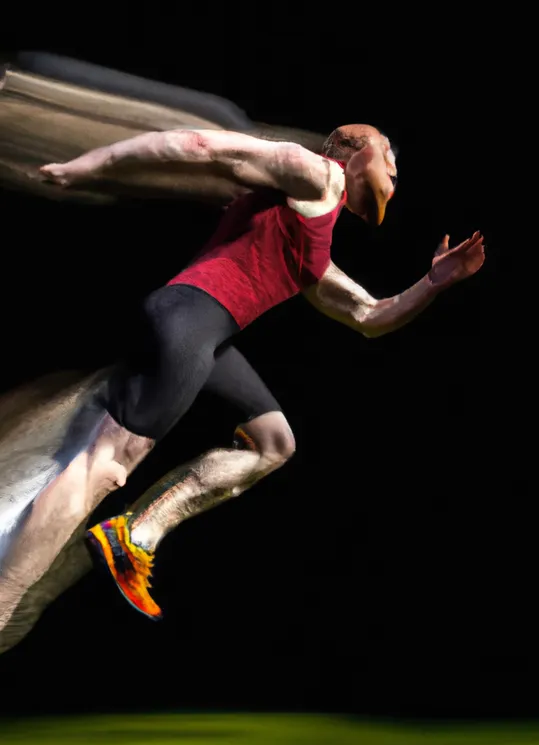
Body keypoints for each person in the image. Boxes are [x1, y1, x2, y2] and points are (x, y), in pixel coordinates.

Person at [40, 124, 486, 620]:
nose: (395, 178)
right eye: (390, 162)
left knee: (274, 444)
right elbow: (198, 145)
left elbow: (369, 317)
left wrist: (433, 282)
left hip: (206, 339)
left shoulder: (312, 244)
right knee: (104, 468)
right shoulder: (318, 175)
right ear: (360, 155)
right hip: (186, 321)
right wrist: (85, 167)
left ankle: (134, 535)